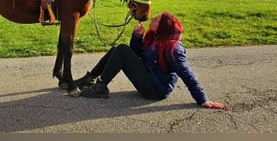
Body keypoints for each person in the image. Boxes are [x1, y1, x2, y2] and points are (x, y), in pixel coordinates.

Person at [76, 11, 227, 109]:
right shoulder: (155, 38)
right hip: (149, 79)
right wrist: (137, 37)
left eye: (156, 19)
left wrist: (202, 99)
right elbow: (135, 54)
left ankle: (100, 87)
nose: (152, 19)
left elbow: (187, 74)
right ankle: (90, 78)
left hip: (156, 90)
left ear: (163, 25)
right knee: (118, 49)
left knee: (121, 49)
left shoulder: (172, 47)